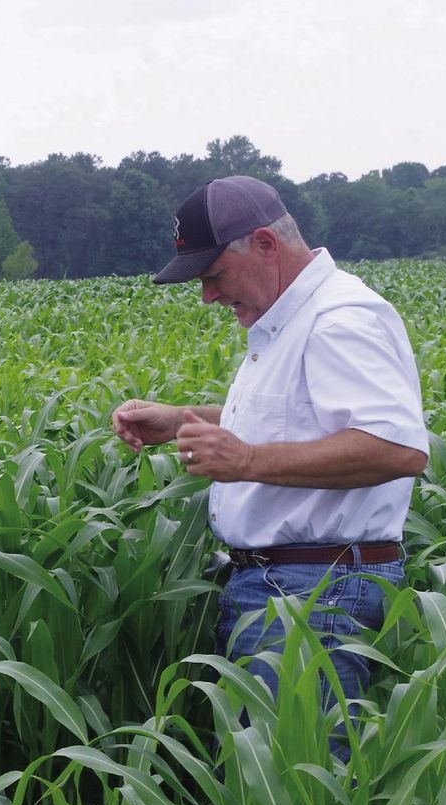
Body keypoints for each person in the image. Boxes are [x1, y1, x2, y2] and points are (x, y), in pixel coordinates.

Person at [112, 175, 429, 760]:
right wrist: (181, 418)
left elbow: (396, 447)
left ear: (264, 244)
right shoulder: (291, 320)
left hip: (314, 593)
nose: (208, 295)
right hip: (286, 587)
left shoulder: (338, 320)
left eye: (213, 275)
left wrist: (248, 461)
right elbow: (297, 418)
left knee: (301, 789)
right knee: (272, 787)